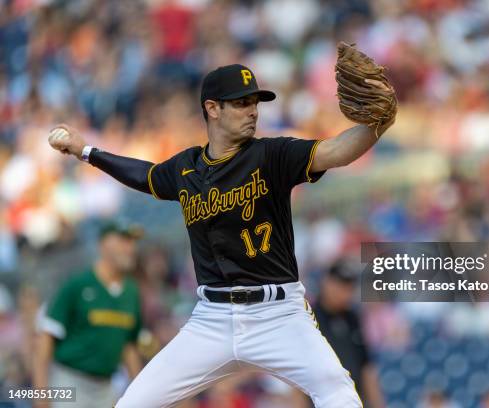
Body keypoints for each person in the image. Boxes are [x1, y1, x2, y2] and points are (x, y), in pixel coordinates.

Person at [47, 63, 395, 407]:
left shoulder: (272, 154)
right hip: (211, 319)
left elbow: (335, 152)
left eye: (255, 102)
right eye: (241, 103)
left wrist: (376, 128)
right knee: (133, 403)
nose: (253, 111)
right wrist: (86, 151)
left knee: (339, 393)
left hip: (278, 314)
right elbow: (145, 175)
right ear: (212, 109)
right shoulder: (186, 168)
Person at [32, 222, 144, 408]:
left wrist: (142, 391)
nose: (131, 248)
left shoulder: (131, 292)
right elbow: (44, 341)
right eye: (124, 240)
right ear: (103, 245)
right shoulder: (78, 285)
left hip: (107, 386)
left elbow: (128, 346)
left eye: (133, 242)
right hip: (71, 381)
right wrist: (41, 397)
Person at [312, 259, 386, 408]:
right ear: (326, 282)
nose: (345, 293)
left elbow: (366, 367)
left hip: (353, 400)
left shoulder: (353, 318)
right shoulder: (309, 318)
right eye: (340, 286)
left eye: (349, 288)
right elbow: (297, 381)